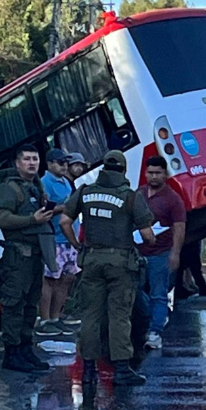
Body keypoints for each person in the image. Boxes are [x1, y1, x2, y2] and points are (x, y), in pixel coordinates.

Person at [60, 150, 155, 386]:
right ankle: (122, 369)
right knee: (119, 315)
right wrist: (150, 240)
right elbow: (147, 234)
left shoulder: (85, 192)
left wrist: (76, 244)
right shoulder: (130, 197)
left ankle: (89, 371)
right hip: (120, 263)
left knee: (91, 315)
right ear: (123, 170)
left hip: (91, 260)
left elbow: (64, 221)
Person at [0, 144, 58, 373]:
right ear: (18, 162)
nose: (32, 163)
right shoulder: (8, 188)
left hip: (34, 257)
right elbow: (3, 219)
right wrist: (33, 219)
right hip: (17, 257)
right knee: (14, 305)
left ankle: (25, 348)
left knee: (31, 305)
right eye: (27, 159)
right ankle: (12, 354)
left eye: (35, 159)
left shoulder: (34, 185)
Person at [134, 157, 186, 350]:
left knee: (159, 293)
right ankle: (151, 320)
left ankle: (155, 331)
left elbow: (179, 227)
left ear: (165, 174)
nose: (153, 176)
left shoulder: (173, 199)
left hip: (160, 253)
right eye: (150, 172)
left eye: (157, 173)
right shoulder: (138, 194)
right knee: (135, 291)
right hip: (137, 253)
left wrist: (175, 253)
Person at [36, 149, 81, 337]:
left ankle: (57, 317)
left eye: (65, 162)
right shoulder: (44, 183)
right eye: (59, 162)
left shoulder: (66, 182)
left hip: (70, 239)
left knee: (66, 280)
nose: (64, 166)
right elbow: (44, 209)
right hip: (55, 239)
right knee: (50, 281)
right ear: (49, 164)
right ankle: (45, 320)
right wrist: (67, 207)